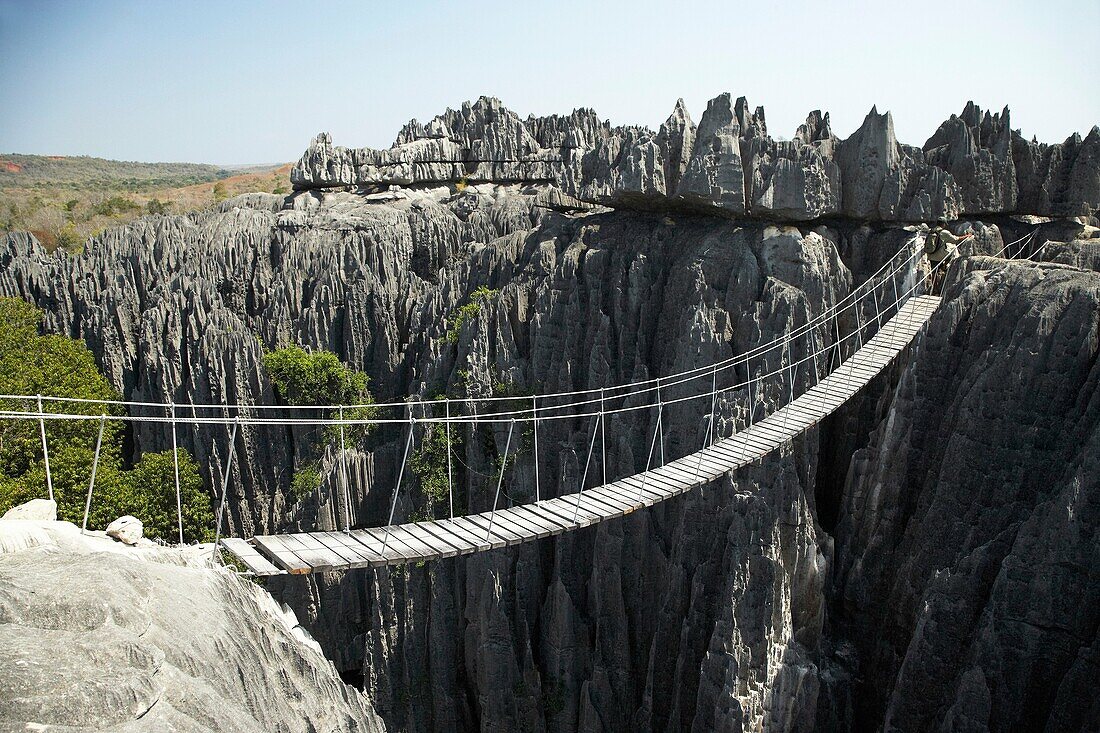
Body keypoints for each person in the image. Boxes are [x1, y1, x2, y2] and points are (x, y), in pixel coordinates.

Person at [924, 218, 972, 294]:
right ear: (943, 224)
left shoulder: (931, 231)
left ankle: (934, 289)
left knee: (934, 272)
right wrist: (966, 236)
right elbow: (955, 239)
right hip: (939, 256)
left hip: (931, 255)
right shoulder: (944, 232)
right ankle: (944, 266)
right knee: (951, 252)